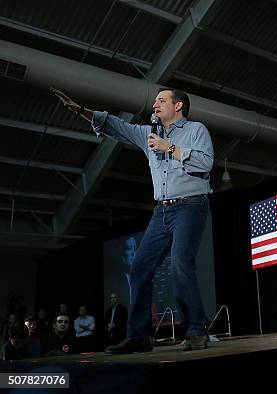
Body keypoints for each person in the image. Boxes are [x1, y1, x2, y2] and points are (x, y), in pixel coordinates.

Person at [52, 87, 213, 353]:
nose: (155, 104)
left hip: (191, 205)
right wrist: (81, 110)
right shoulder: (149, 133)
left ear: (179, 105)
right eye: (155, 100)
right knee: (139, 267)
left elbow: (205, 164)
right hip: (161, 211)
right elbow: (116, 126)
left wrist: (169, 147)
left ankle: (197, 330)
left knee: (180, 265)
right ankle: (139, 336)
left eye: (162, 100)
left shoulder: (196, 130)